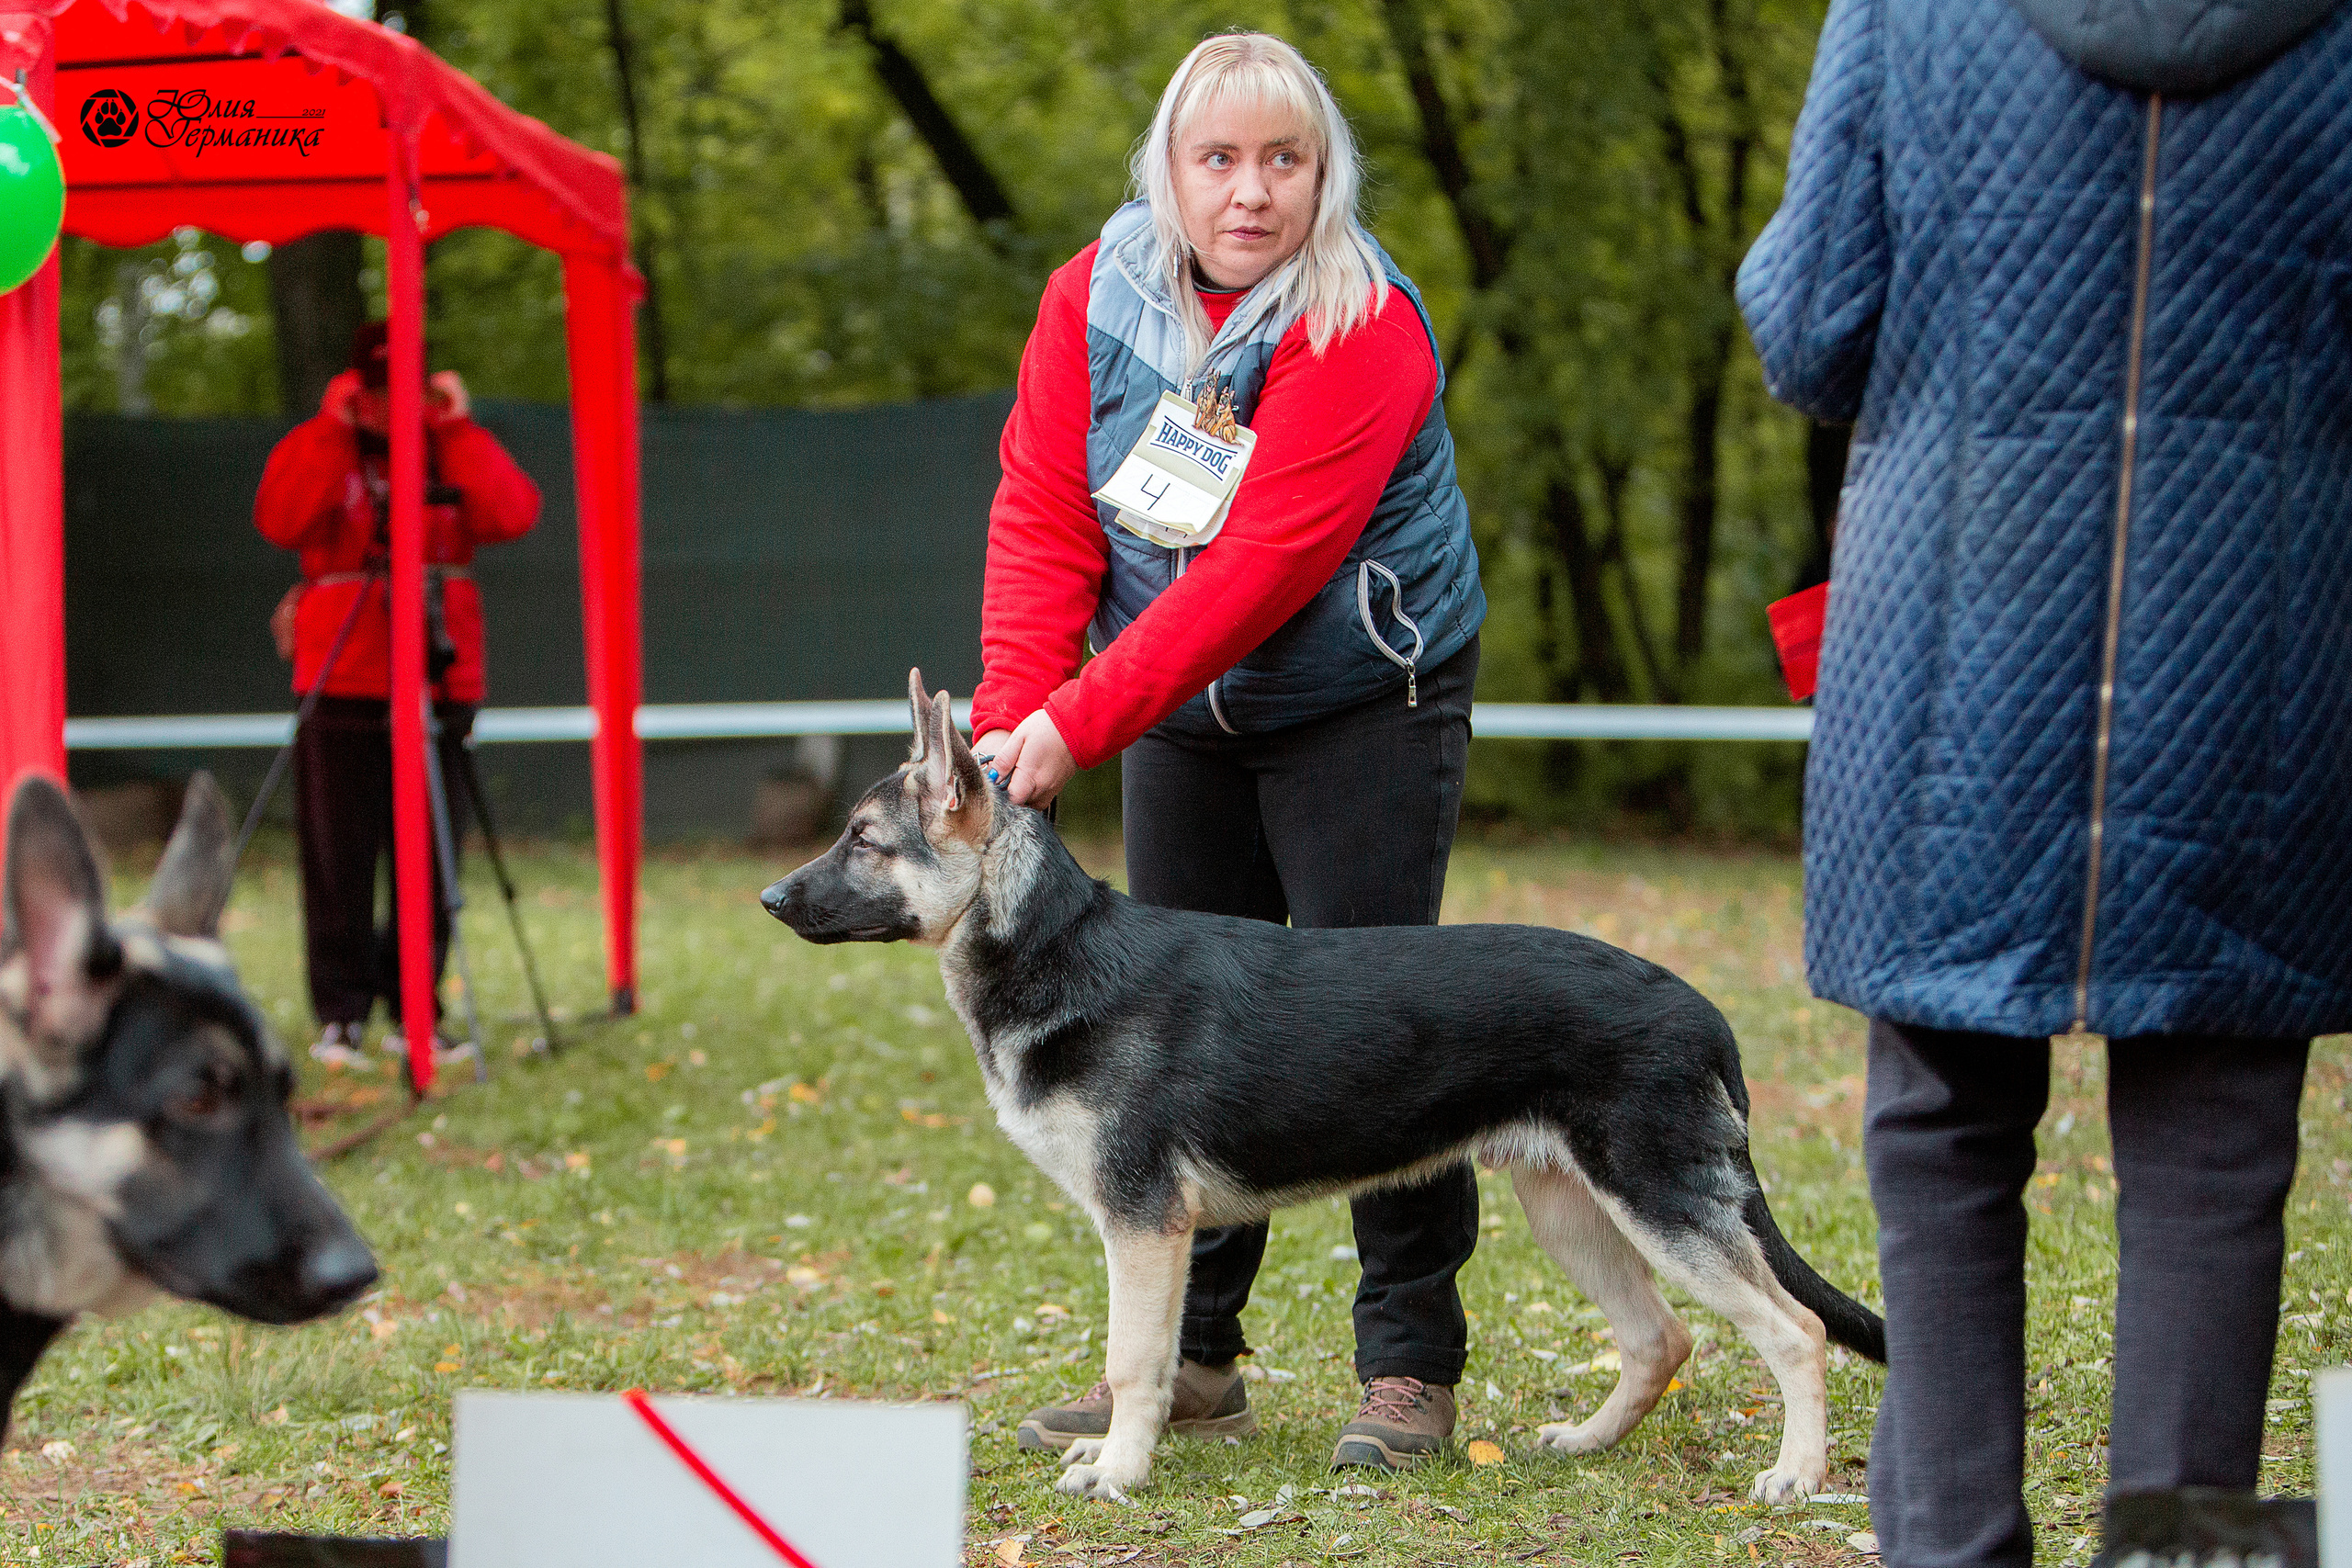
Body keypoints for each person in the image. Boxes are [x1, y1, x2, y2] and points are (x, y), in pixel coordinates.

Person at [1737, 1, 2352, 1561]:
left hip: (1954, 645)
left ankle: (1946, 1543)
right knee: (2218, 1151)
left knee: (1940, 1127)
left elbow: (1809, 328)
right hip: (2263, 649)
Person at [971, 31, 1487, 1472]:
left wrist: (1080, 719)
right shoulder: (1091, 295)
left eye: (1285, 159)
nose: (1250, 192)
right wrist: (1021, 707)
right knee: (1172, 1033)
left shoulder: (1362, 317)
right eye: (1220, 159)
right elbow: (1043, 512)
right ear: (1170, 172)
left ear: (1325, 176)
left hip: (1358, 693)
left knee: (1387, 1016)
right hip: (1174, 707)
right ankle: (1197, 1362)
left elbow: (1260, 567)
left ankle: (1410, 1363)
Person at [254, 322, 540, 1070]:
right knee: (337, 852)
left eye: (405, 388)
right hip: (342, 675)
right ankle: (341, 1014)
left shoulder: (447, 441)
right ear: (359, 389)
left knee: (432, 851)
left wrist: (455, 426)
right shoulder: (327, 442)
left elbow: (512, 512)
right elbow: (279, 516)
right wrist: (333, 429)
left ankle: (416, 1005)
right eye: (378, 389)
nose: (392, 404)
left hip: (437, 675)